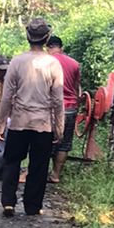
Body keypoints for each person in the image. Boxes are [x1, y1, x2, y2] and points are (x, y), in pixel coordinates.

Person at [0, 18, 63, 218]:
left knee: (12, 161)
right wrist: (59, 128)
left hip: (19, 120)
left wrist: (0, 125)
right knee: (39, 166)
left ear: (27, 37)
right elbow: (58, 100)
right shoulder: (53, 64)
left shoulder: (17, 62)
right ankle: (32, 206)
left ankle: (8, 202)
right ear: (46, 38)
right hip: (43, 123)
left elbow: (7, 96)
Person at [46, 34, 82, 186]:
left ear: (48, 47)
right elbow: (77, 88)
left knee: (46, 141)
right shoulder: (74, 64)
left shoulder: (47, 62)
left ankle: (37, 172)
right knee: (64, 144)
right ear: (61, 47)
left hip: (52, 109)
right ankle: (55, 174)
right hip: (70, 108)